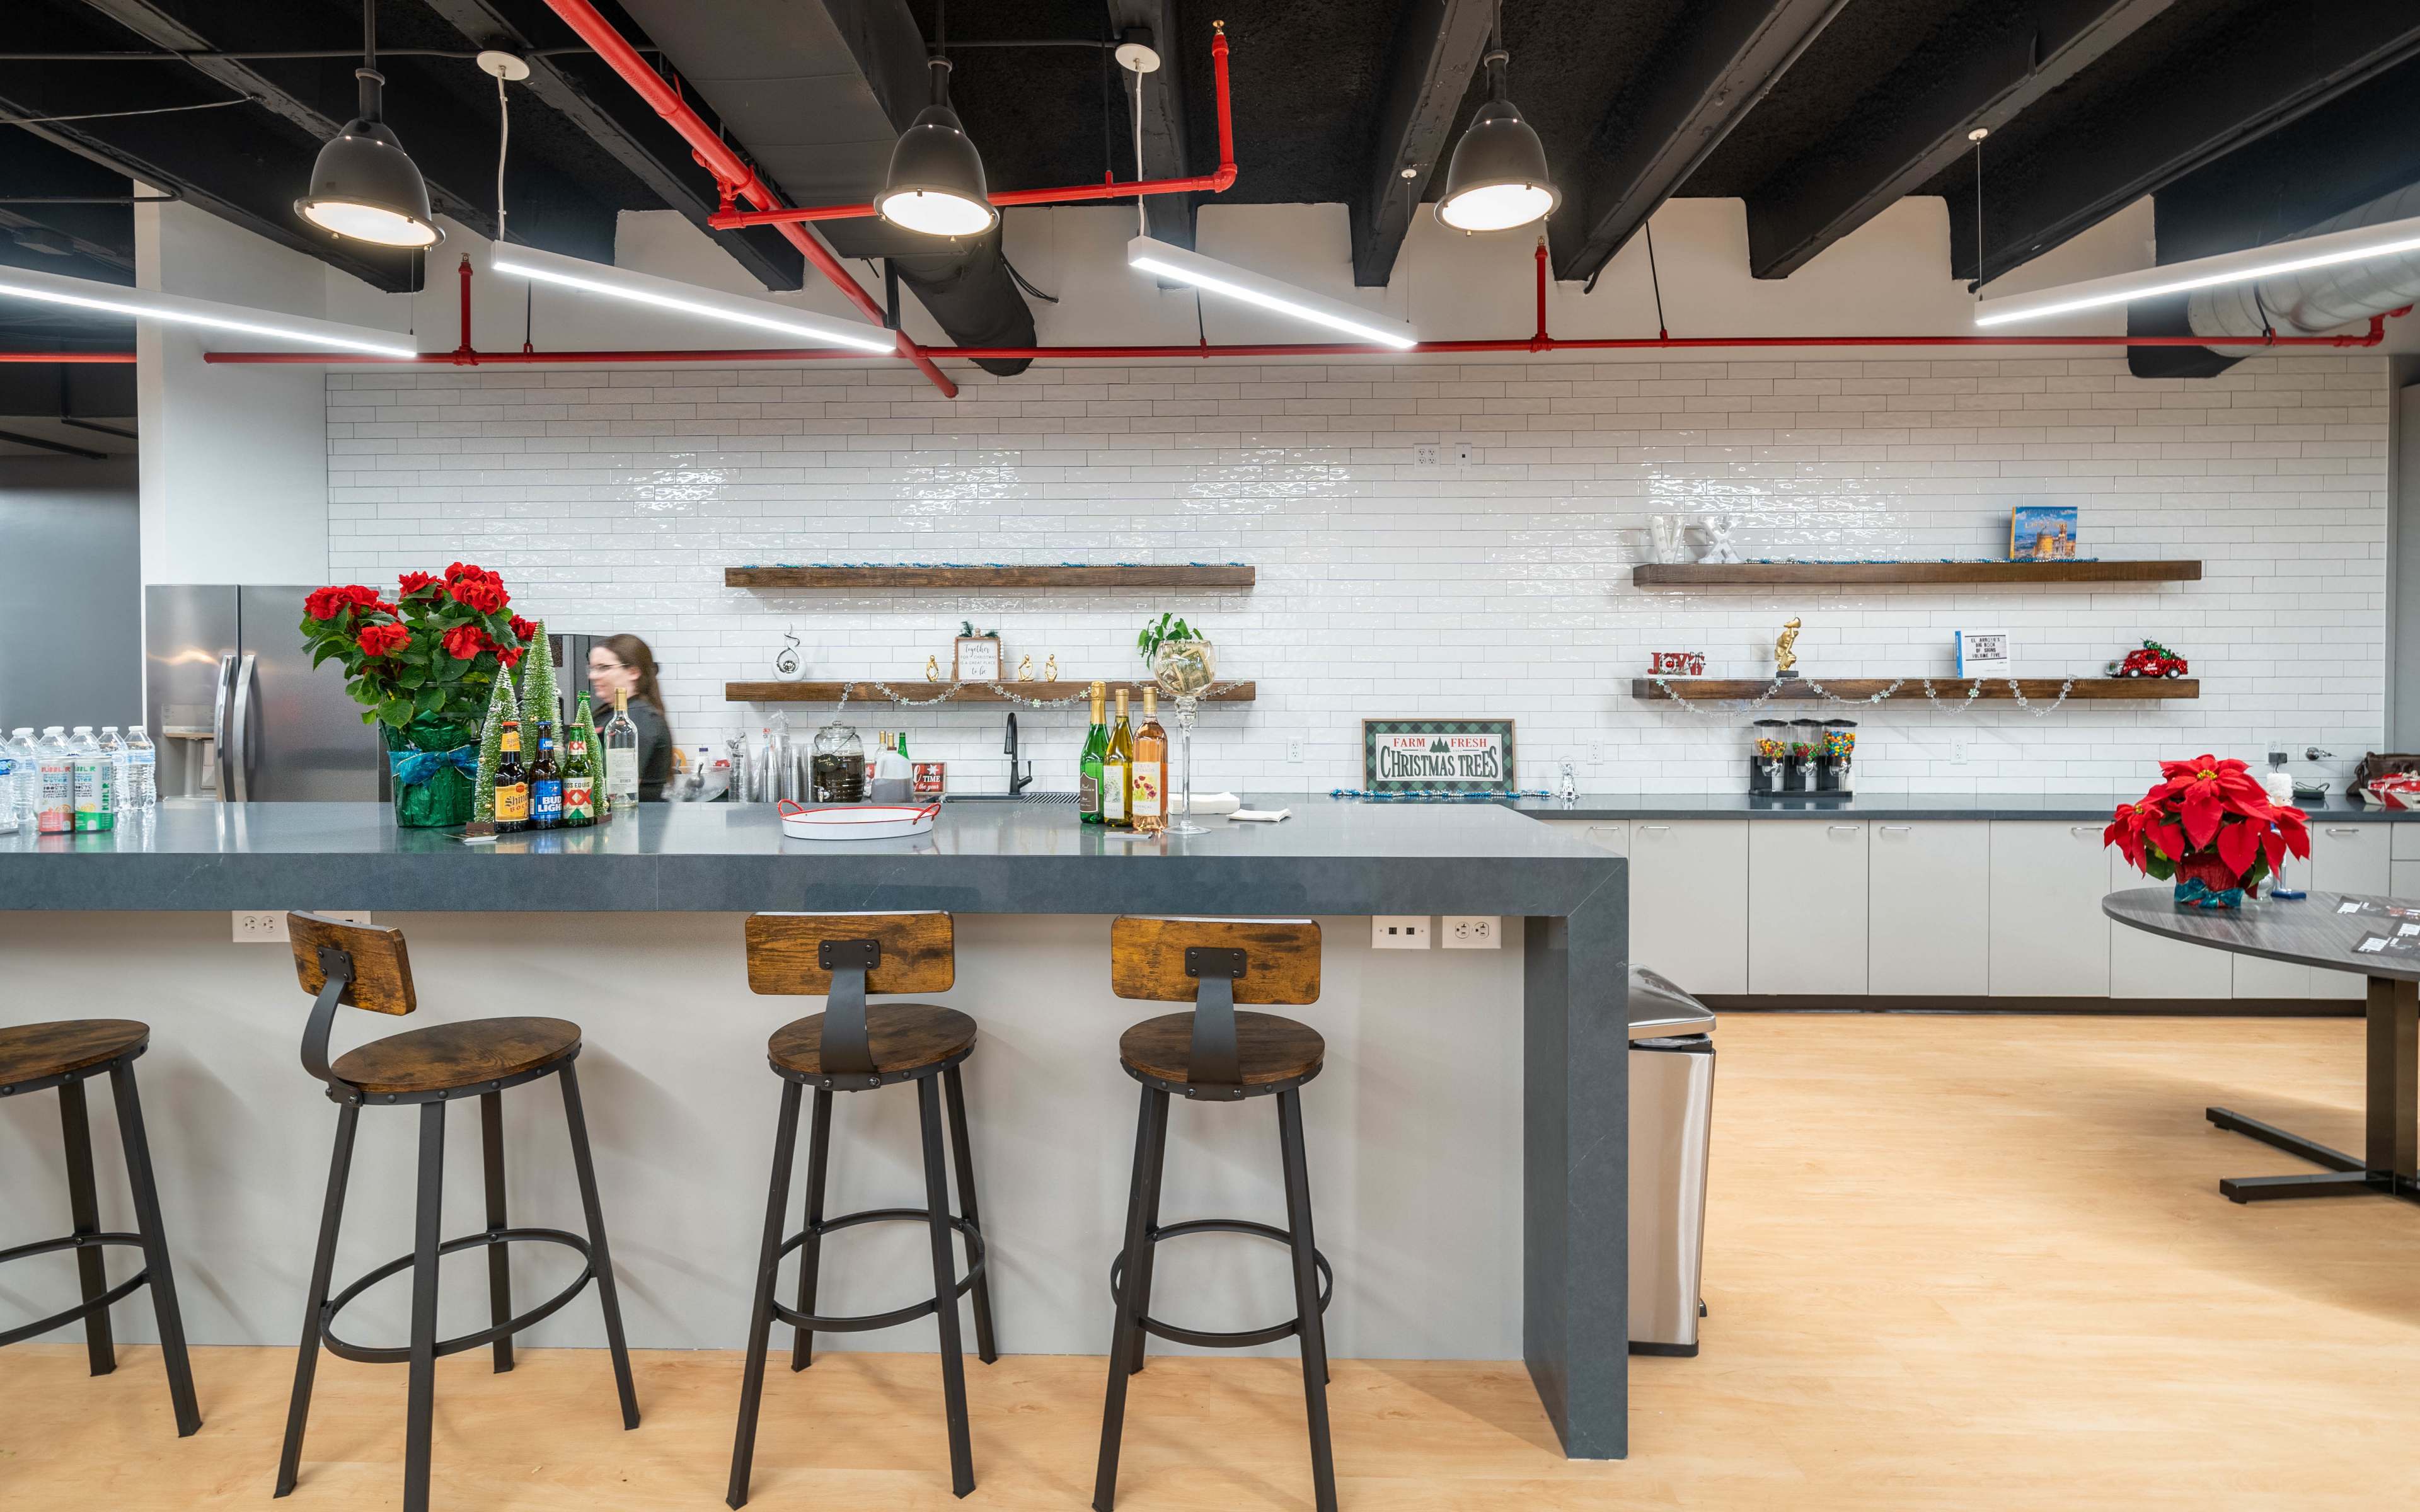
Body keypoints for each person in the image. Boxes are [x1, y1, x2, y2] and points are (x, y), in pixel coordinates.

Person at [587, 634, 674, 801]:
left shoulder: (637, 717)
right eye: (592, 668)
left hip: (633, 823)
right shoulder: (608, 713)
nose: (593, 676)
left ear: (633, 672)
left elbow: (621, 791)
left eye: (604, 667)